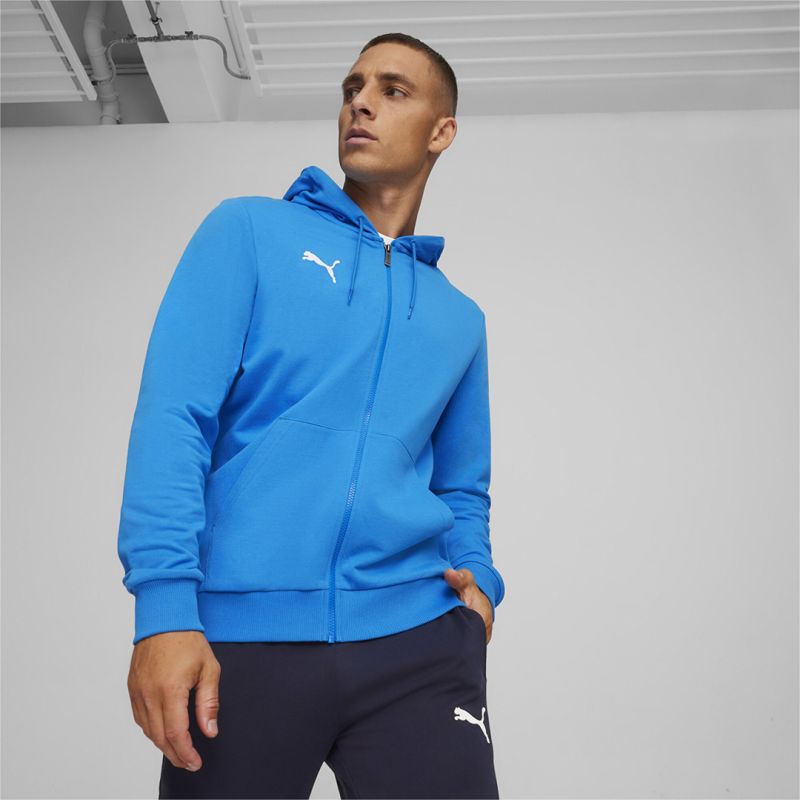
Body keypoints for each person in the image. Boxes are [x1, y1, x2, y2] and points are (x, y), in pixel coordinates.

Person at [118, 31, 506, 800]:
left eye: (393, 90)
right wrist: (164, 610)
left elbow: (463, 485)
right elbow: (174, 419)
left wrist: (481, 584)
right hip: (240, 640)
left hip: (419, 644)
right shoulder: (249, 232)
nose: (361, 102)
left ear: (442, 131)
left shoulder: (458, 317)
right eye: (353, 87)